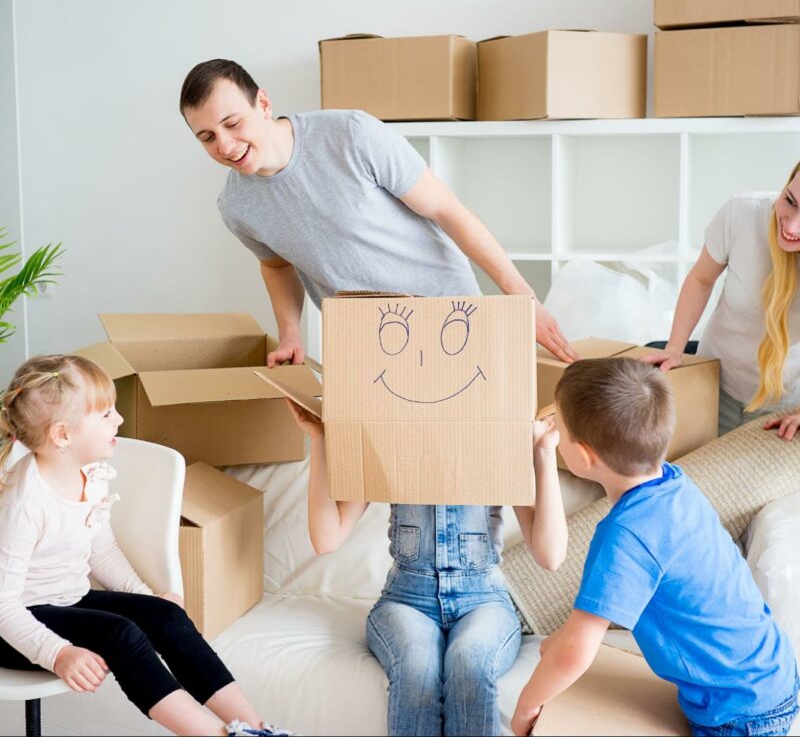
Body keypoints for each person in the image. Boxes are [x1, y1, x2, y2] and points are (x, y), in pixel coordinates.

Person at [178, 58, 578, 368]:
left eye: (232, 123)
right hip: (366, 340)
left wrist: (523, 301)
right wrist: (290, 334)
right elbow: (277, 265)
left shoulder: (351, 134)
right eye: (207, 138)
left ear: (262, 104)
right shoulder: (235, 206)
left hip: (448, 313)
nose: (226, 146)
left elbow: (447, 210)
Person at [0, 354, 291, 737]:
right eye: (105, 414)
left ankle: (258, 729)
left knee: (166, 616)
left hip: (65, 599)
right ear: (62, 435)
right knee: (120, 634)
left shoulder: (91, 475)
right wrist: (58, 653)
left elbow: (101, 551)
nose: (119, 420)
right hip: (14, 626)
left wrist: (146, 601)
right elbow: (4, 605)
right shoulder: (24, 502)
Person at [511, 357, 798, 737]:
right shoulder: (674, 483)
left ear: (582, 456)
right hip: (772, 676)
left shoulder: (626, 536)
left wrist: (527, 705)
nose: (550, 430)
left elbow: (577, 648)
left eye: (556, 425)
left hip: (739, 716)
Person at [285, 398, 567, 737]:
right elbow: (326, 538)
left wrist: (544, 450)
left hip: (484, 602)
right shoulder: (387, 440)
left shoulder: (500, 443)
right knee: (417, 666)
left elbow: (550, 556)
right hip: (405, 602)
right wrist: (320, 439)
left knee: (470, 661)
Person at [642, 160, 800, 438]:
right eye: (790, 201)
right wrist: (675, 347)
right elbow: (701, 279)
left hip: (785, 402)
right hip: (715, 382)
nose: (792, 225)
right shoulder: (741, 214)